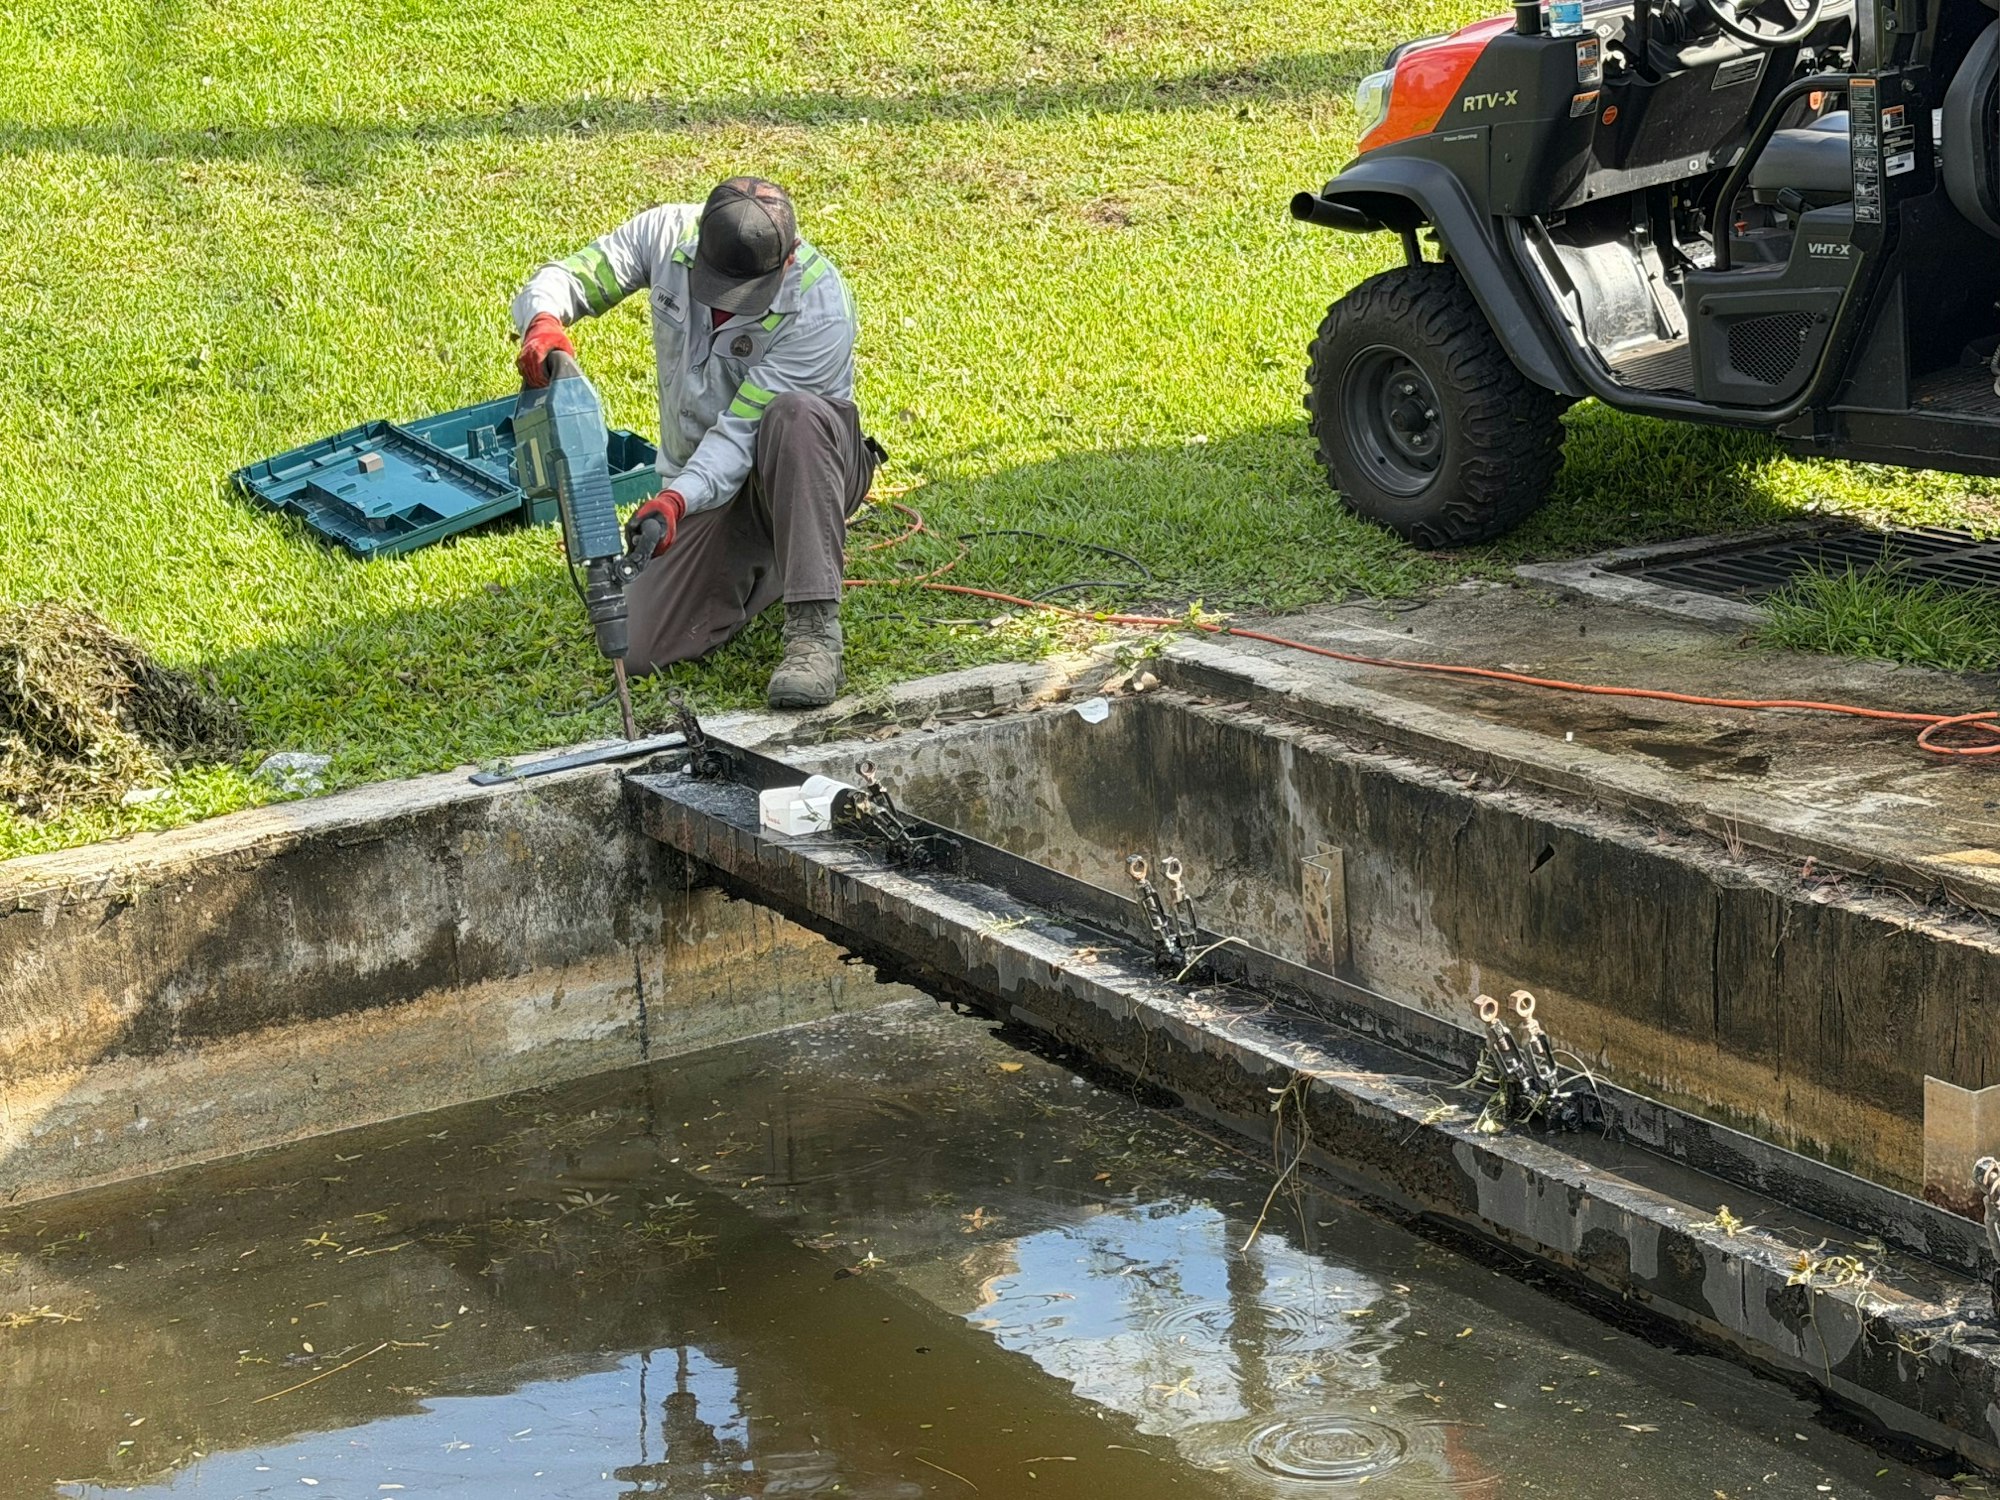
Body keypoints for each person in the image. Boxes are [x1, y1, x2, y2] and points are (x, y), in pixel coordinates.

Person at [511, 177, 877, 708]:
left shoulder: (818, 307)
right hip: (709, 488)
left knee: (793, 416)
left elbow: (739, 434)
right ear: (699, 241)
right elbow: (567, 276)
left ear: (788, 261)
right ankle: (781, 562)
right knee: (639, 647)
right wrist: (544, 321)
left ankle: (814, 633)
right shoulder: (665, 232)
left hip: (804, 464)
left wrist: (677, 500)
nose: (727, 307)